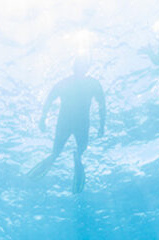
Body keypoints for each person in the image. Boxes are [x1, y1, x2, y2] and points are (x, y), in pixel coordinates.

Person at [27, 56, 106, 194]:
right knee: (64, 151)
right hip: (75, 122)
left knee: (65, 151)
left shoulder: (74, 83)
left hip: (70, 122)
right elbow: (50, 99)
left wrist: (102, 125)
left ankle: (75, 157)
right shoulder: (89, 83)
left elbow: (102, 105)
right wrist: (42, 118)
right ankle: (75, 157)